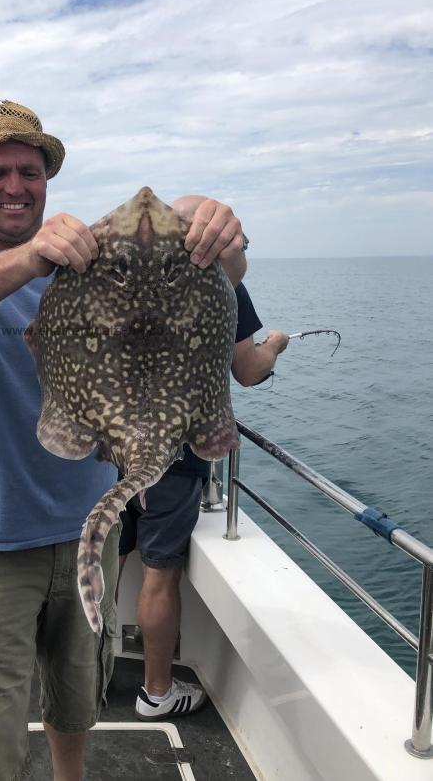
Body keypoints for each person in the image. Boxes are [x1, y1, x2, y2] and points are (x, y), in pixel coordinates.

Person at [0, 100, 248, 781]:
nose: (14, 186)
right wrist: (28, 259)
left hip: (92, 525)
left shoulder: (90, 263)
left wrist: (225, 240)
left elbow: (217, 291)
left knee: (78, 695)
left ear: (47, 179)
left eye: (29, 170)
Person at [119, 194, 289, 721]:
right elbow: (248, 369)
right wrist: (277, 344)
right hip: (174, 457)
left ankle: (85, 673)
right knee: (159, 573)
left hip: (112, 448)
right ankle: (156, 692)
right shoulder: (224, 287)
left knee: (104, 561)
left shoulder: (130, 280)